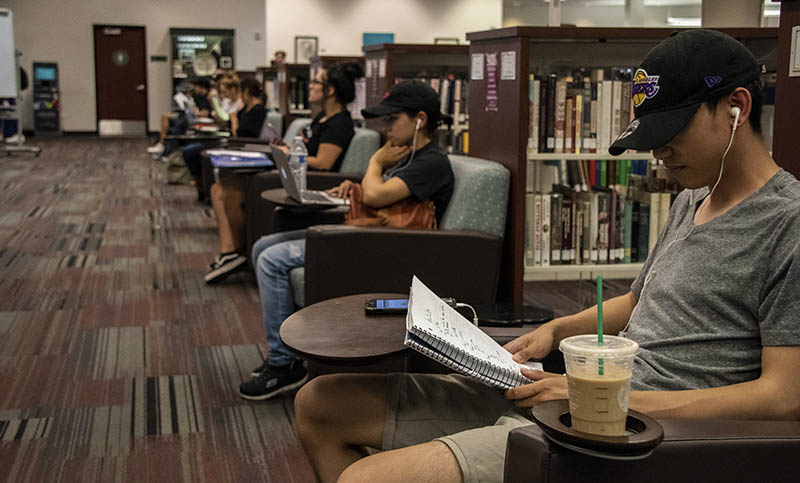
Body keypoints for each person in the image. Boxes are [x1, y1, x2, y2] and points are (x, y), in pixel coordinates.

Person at [292, 29, 800, 483]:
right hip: (583, 395)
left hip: (635, 435)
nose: (659, 152)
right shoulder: (694, 197)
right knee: (320, 404)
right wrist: (557, 329)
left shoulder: (788, 224)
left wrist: (597, 397)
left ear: (736, 106)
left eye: (672, 132)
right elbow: (638, 300)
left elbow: (783, 399)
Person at [237, 80, 456, 401]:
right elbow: (379, 196)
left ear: (420, 118)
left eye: (393, 120)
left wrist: (375, 164)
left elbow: (377, 193)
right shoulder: (407, 156)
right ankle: (288, 352)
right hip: (373, 236)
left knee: (272, 259)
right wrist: (352, 188)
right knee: (262, 247)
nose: (386, 128)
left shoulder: (431, 161)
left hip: (392, 249)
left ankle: (284, 364)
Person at [203, 63, 362, 283]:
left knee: (228, 189)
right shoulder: (321, 118)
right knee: (219, 187)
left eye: (316, 82)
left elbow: (324, 164)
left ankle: (237, 251)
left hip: (314, 182)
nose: (310, 86)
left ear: (331, 90)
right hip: (296, 173)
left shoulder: (339, 124)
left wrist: (287, 153)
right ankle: (230, 250)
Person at [182, 75, 251, 195]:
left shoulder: (240, 104)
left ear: (234, 89)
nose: (224, 95)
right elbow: (222, 118)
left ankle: (202, 185)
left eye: (225, 91)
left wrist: (225, 116)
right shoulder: (227, 102)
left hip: (228, 139)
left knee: (191, 151)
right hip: (222, 134)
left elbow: (232, 124)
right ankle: (201, 184)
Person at [148, 77, 212, 157]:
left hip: (197, 119)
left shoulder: (205, 97)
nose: (194, 88)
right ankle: (162, 145)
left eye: (195, 86)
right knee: (167, 119)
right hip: (190, 116)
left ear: (200, 87)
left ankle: (163, 145)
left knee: (172, 122)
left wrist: (196, 112)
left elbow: (205, 112)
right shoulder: (198, 96)